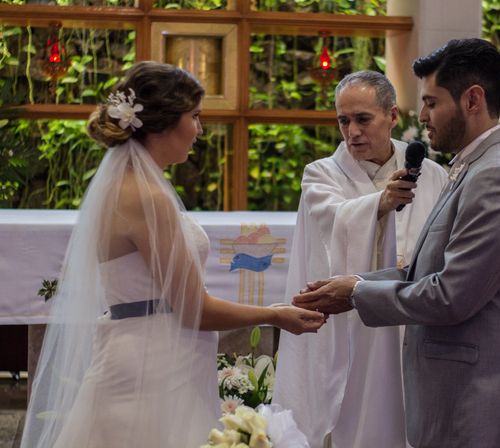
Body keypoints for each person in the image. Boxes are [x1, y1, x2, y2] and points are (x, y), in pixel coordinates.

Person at [20, 61, 325, 448]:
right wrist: (275, 315)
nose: (199, 129)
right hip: (153, 365)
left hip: (151, 353)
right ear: (165, 121)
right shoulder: (145, 196)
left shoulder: (131, 186)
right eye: (194, 116)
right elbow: (194, 309)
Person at [294, 39, 500, 448]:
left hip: (470, 392)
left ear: (472, 100)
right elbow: (422, 271)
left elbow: (450, 295)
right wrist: (353, 284)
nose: (423, 116)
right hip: (448, 388)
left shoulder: (497, 177)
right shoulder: (472, 168)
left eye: (431, 102)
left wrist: (357, 292)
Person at [273, 71, 448, 448]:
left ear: (392, 116)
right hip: (350, 325)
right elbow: (332, 221)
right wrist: (379, 204)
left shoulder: (432, 175)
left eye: (363, 119)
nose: (352, 131)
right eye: (343, 120)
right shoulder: (320, 175)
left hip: (411, 320)